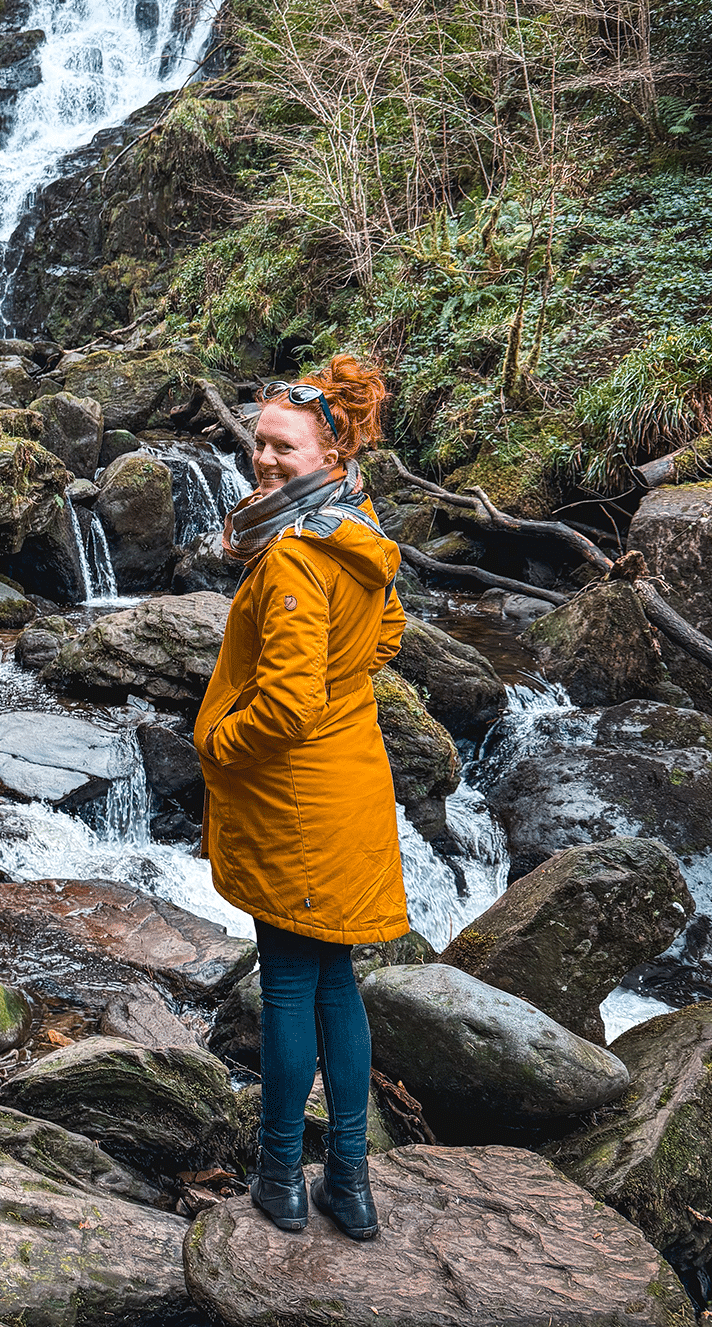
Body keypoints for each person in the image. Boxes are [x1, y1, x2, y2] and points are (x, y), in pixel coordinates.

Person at [194, 354, 408, 1240]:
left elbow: (283, 703)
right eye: (260, 443)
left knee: (287, 985)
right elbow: (386, 632)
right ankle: (350, 1185)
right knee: (336, 986)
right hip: (350, 776)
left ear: (330, 450)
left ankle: (281, 1175)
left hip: (296, 799)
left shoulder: (289, 558)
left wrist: (216, 743)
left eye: (283, 446)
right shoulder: (355, 527)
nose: (266, 460)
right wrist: (336, 684)